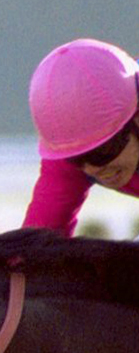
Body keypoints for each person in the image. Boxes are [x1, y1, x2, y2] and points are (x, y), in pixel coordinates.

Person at [21, 38, 139, 237]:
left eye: (101, 152)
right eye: (76, 158)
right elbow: (32, 253)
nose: (92, 169)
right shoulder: (69, 144)